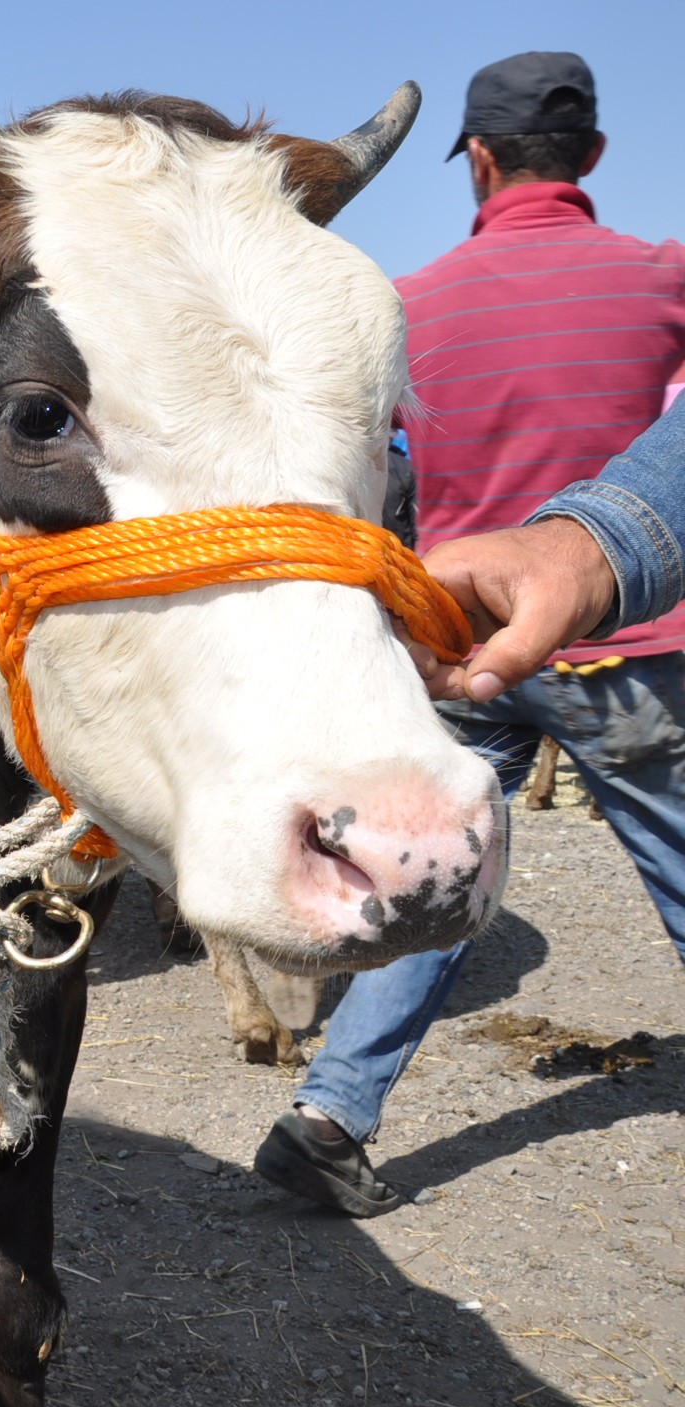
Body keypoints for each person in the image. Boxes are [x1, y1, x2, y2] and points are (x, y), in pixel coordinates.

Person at [255, 52, 685, 1216]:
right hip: (619, 644)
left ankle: (329, 1109)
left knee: (438, 874)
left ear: (477, 160)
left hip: (456, 645)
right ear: (591, 155)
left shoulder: (406, 303)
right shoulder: (659, 276)